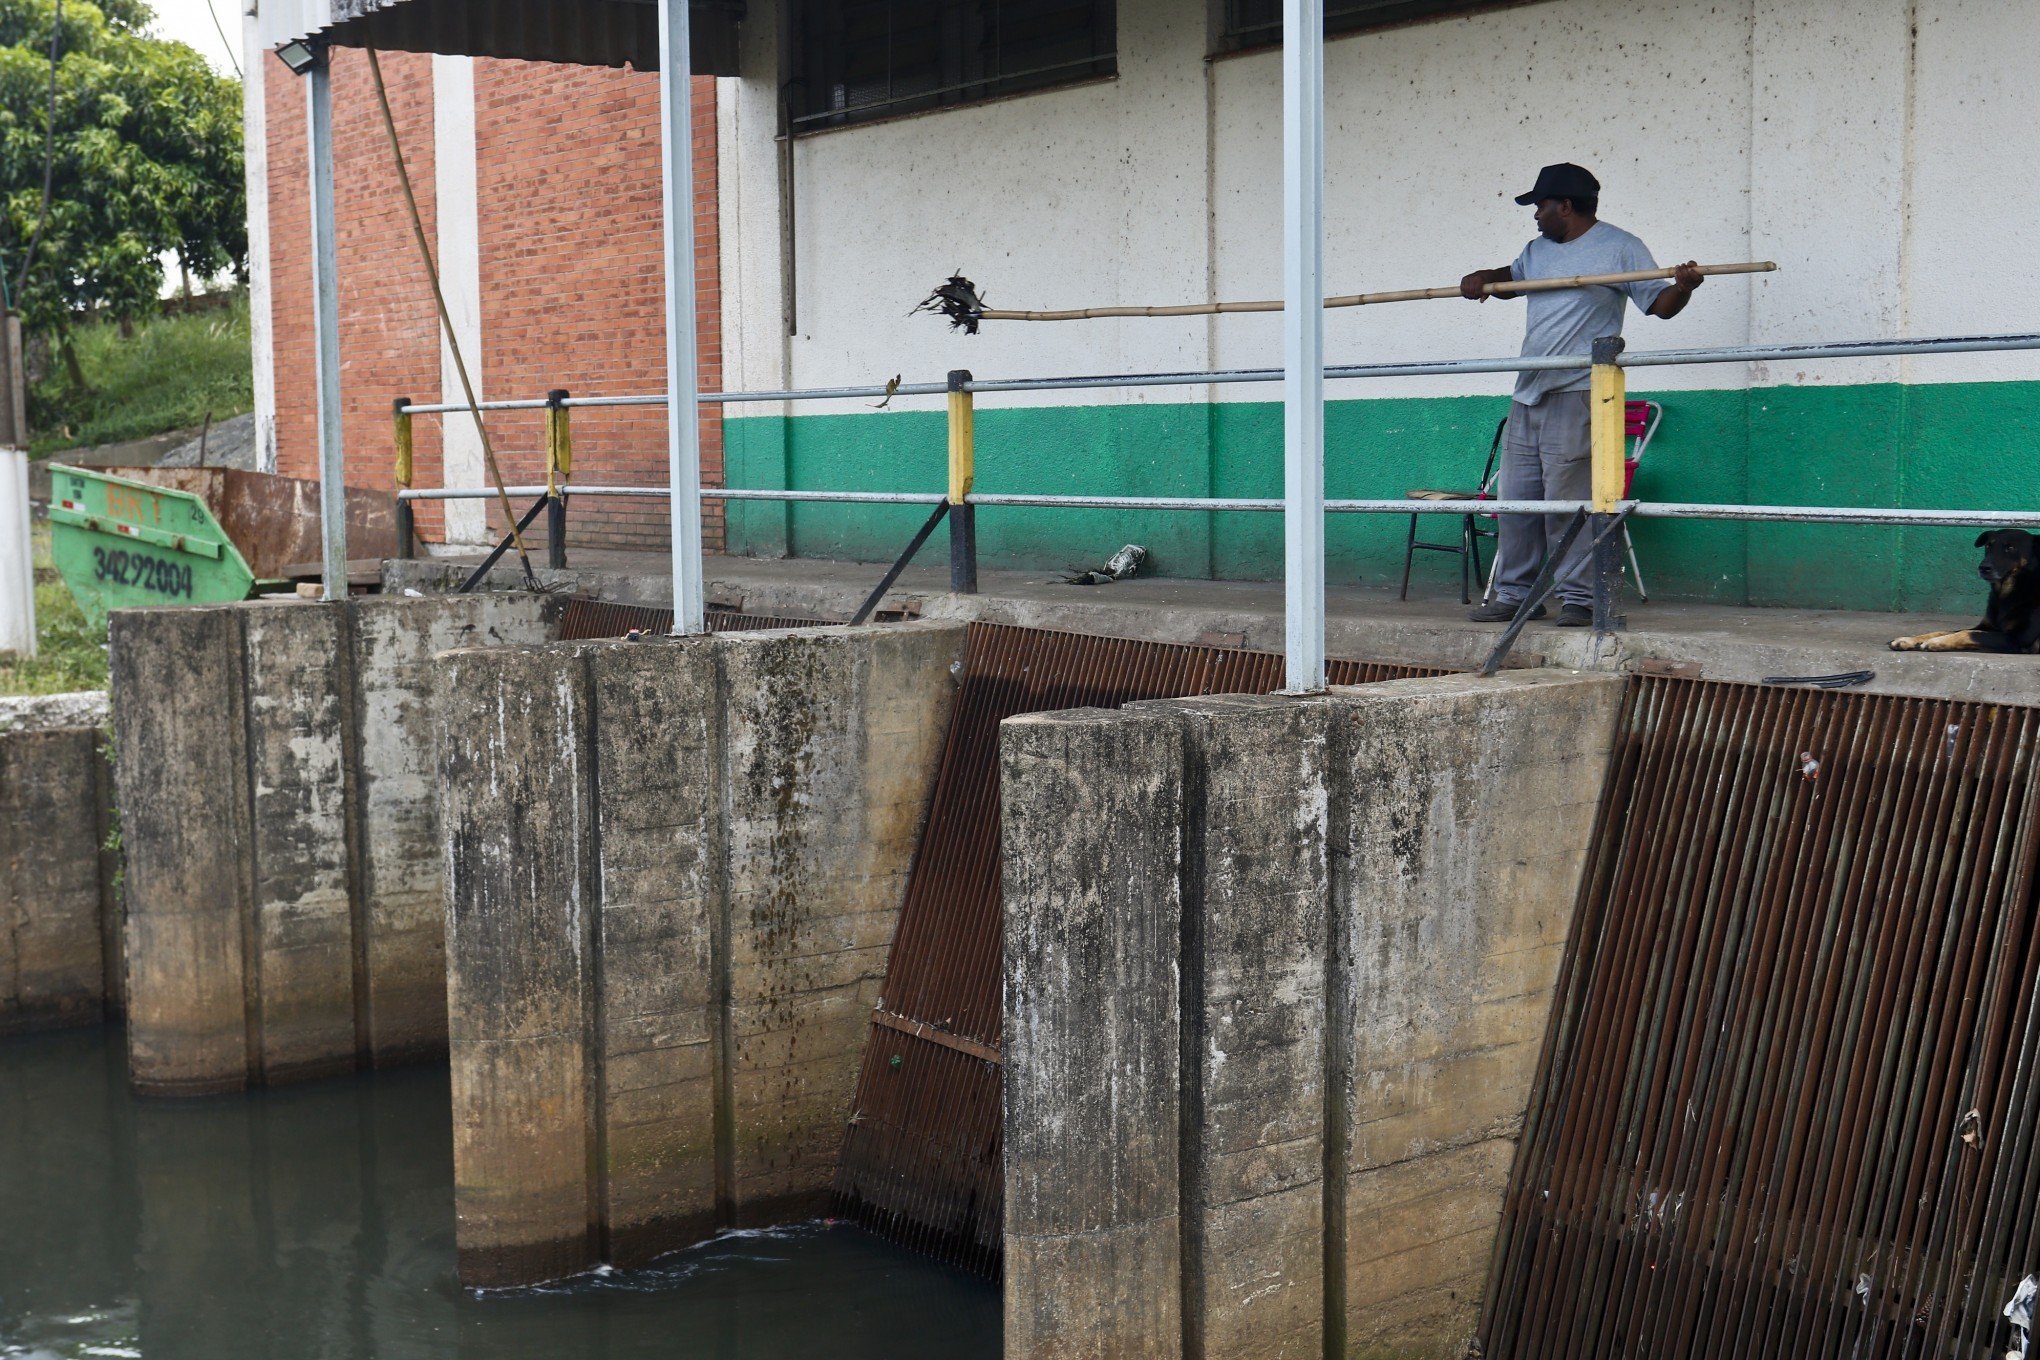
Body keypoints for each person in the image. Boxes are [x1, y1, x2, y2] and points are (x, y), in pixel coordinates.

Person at [1459, 162, 1704, 626]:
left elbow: (1661, 307)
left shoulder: (1621, 248)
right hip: (1528, 391)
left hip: (1577, 392)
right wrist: (1482, 279)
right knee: (1517, 503)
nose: (1535, 216)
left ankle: (1580, 599)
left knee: (1567, 505)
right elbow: (1510, 280)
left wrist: (1683, 287)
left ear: (1565, 206)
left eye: (1540, 206)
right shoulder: (1537, 251)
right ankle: (1515, 595)